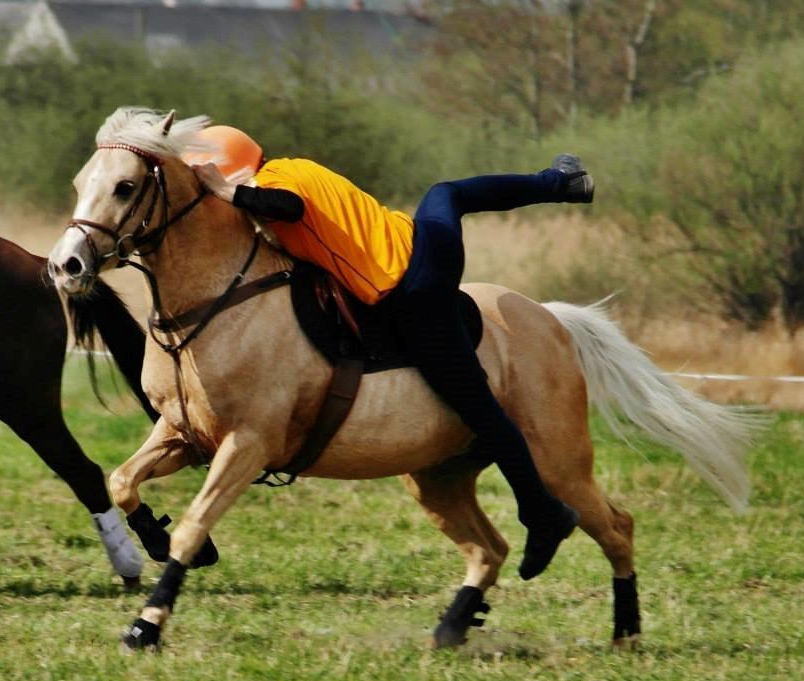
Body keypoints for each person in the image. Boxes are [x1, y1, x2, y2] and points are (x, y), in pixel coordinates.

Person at [187, 126, 594, 579]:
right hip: (423, 239)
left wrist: (226, 191)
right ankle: (562, 181)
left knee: (478, 406)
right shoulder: (293, 166)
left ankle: (544, 516)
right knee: (448, 193)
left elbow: (289, 208)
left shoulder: (271, 189)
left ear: (237, 175)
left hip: (413, 290)